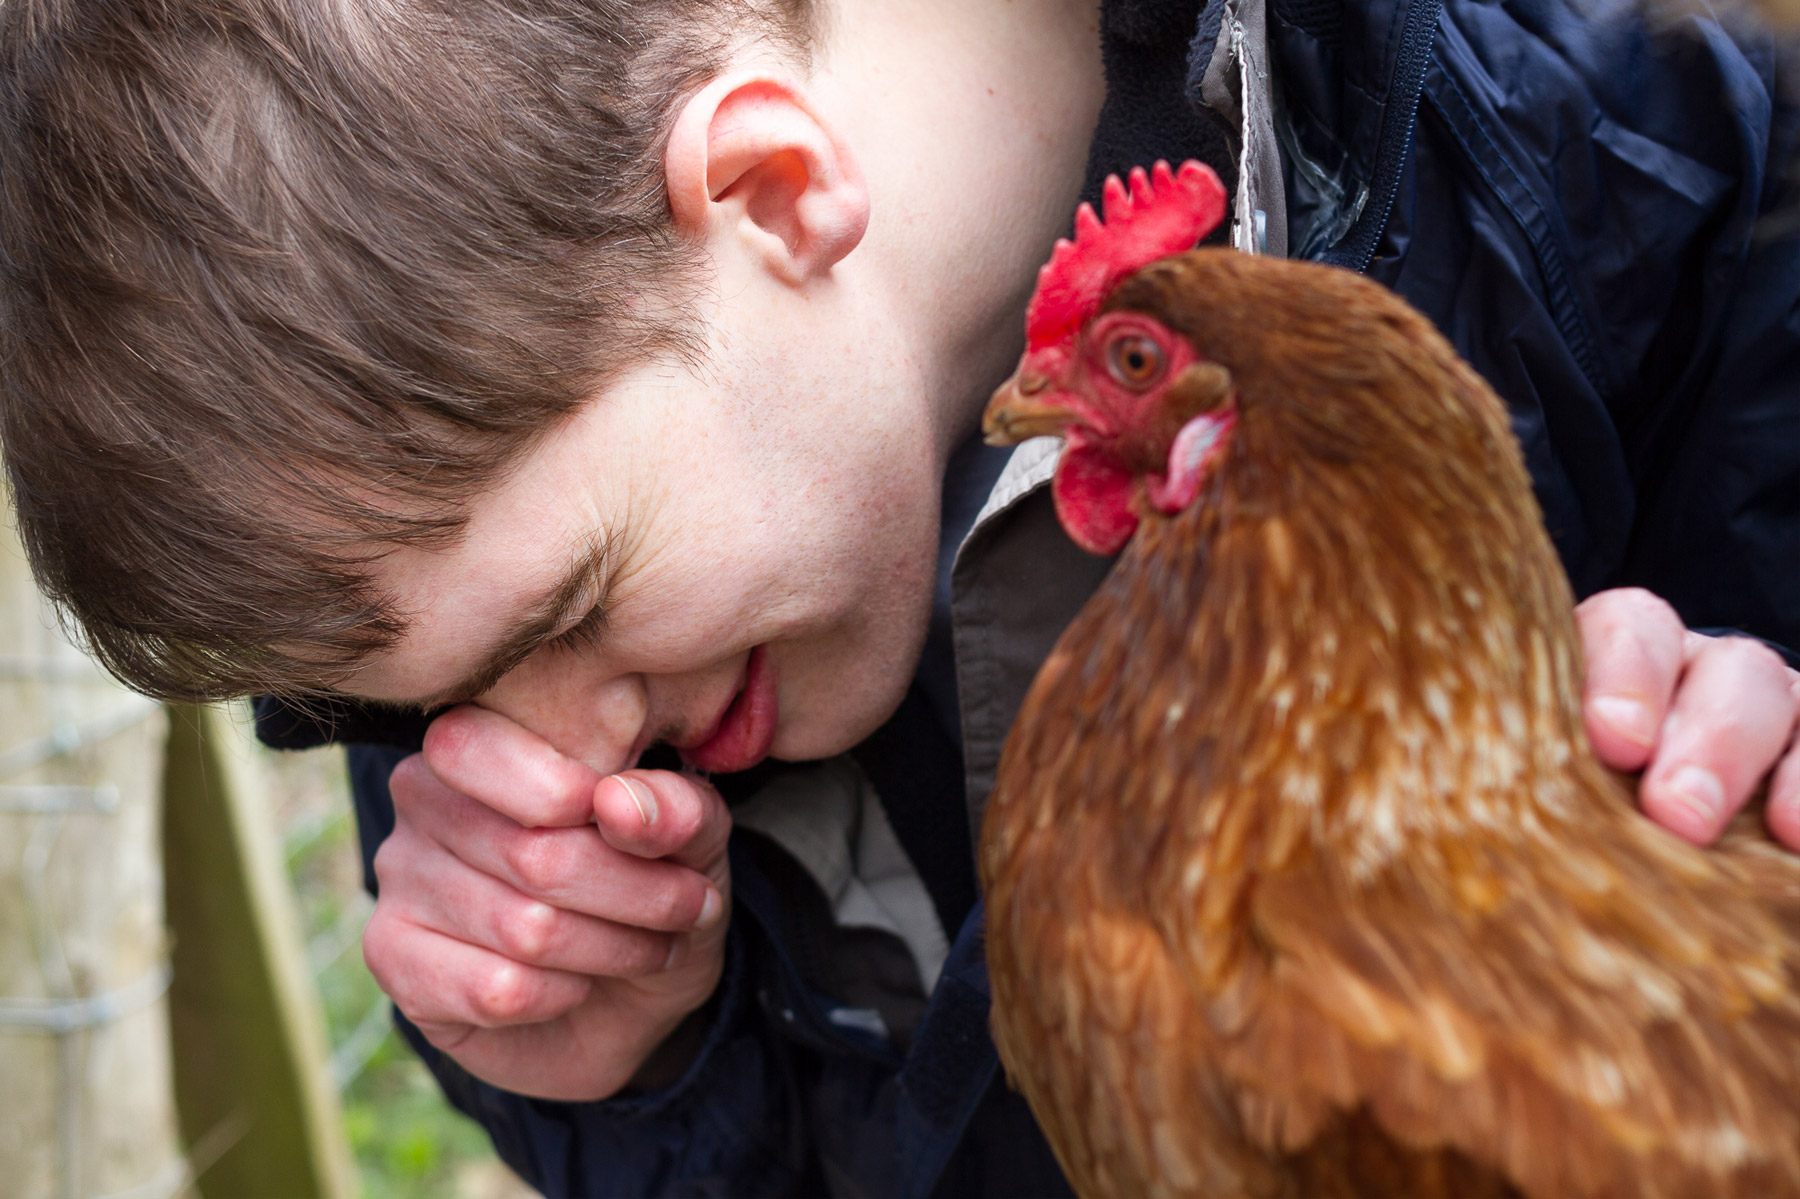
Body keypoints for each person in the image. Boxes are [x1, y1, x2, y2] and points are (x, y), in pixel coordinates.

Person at [4, 0, 1799, 1192]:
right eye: (418, 708)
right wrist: (632, 1068)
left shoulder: (1606, 196)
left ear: (778, 191)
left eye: (566, 616)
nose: (548, 751)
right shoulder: (545, 540)